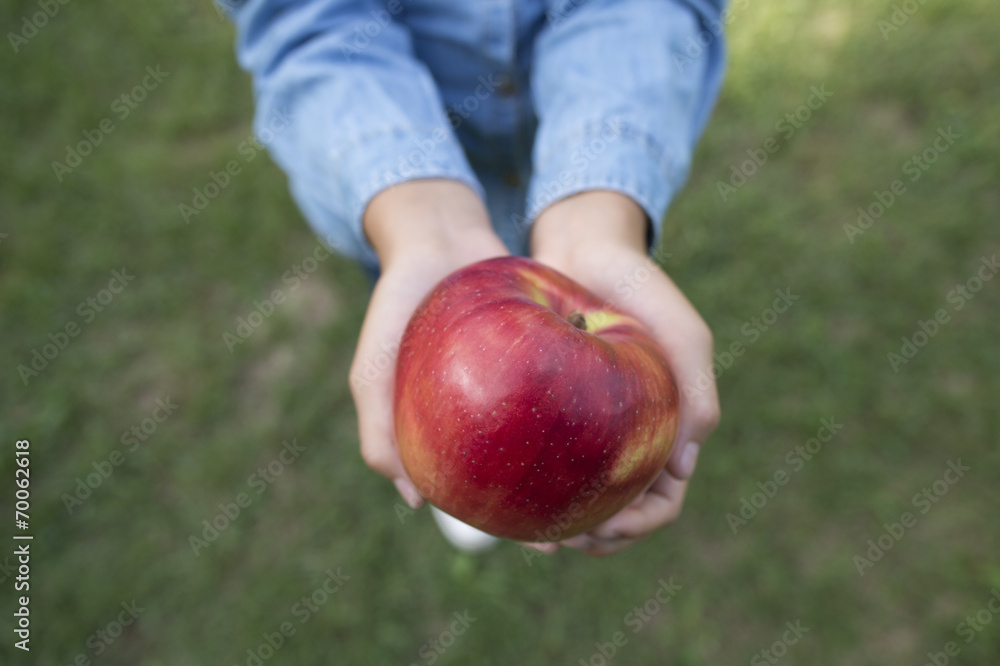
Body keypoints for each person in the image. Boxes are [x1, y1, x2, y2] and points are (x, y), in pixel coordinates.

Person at [223, 0, 724, 557]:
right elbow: (305, 20)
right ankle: (455, 457)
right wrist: (420, 220)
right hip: (405, 161)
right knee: (421, 304)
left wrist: (596, 218)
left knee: (451, 311)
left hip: (566, 138)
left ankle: (471, 470)